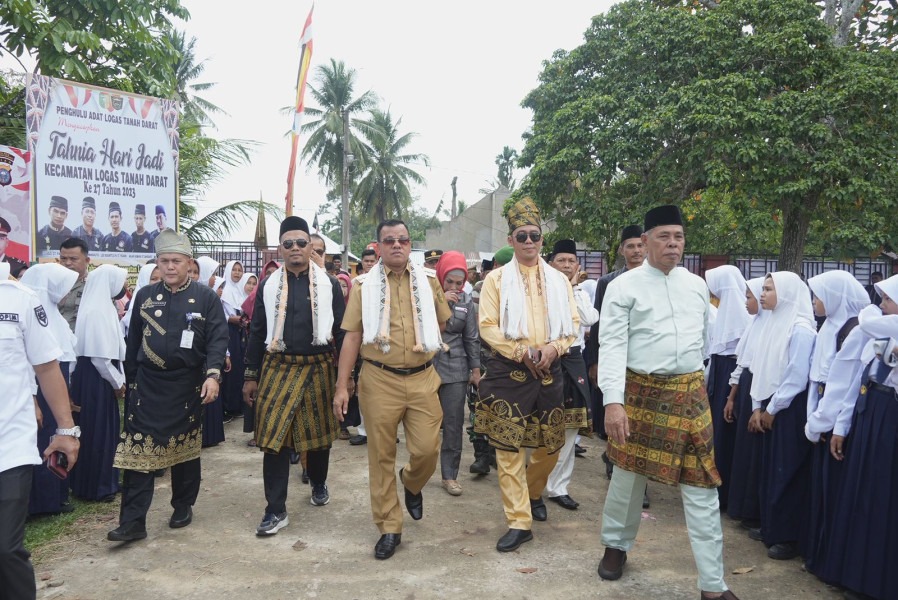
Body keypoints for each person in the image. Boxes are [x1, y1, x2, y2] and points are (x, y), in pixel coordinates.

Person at [597, 205, 738, 600]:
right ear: (644, 242)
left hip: (690, 396)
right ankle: (615, 547)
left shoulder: (695, 285)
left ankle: (713, 584)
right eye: (664, 237)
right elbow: (612, 346)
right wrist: (613, 402)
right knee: (627, 477)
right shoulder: (623, 287)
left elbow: (706, 343)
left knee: (703, 486)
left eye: (678, 237)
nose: (672, 244)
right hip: (640, 395)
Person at [333, 219, 451, 560]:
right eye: (389, 241)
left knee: (428, 449)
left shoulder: (428, 282)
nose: (396, 245)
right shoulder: (362, 286)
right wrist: (343, 386)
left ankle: (412, 483)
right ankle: (389, 526)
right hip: (379, 379)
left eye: (402, 239)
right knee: (381, 455)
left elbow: (442, 322)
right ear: (379, 246)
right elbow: (352, 336)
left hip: (423, 376)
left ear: (409, 244)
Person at [473, 197, 579, 553]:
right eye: (522, 236)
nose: (529, 241)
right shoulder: (496, 280)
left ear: (542, 240)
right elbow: (487, 326)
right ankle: (519, 521)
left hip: (549, 370)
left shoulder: (559, 281)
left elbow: (573, 326)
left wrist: (554, 348)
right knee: (508, 448)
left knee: (551, 445)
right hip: (507, 372)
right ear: (511, 240)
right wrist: (520, 352)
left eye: (535, 235)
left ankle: (533, 492)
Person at [108, 229, 228, 542]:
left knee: (185, 450)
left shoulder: (206, 298)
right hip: (147, 386)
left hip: (186, 385)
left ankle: (183, 505)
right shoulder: (145, 297)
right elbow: (133, 338)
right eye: (164, 261)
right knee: (137, 453)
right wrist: (130, 380)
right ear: (158, 264)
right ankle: (133, 522)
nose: (170, 267)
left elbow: (217, 339)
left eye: (176, 261)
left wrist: (213, 375)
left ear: (189, 263)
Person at [243, 216, 345, 535]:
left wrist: (347, 377)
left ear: (311, 247)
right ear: (280, 249)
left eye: (302, 243)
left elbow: (343, 333)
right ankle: (275, 510)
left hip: (319, 367)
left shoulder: (329, 284)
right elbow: (257, 329)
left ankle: (318, 482)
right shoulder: (268, 285)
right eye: (289, 244)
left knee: (317, 439)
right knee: (273, 438)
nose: (296, 248)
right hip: (278, 365)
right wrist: (250, 375)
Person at [0, 270, 80, 600]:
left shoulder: (20, 299)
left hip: (9, 446)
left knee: (5, 549)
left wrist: (66, 429)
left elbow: (47, 367)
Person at [821, 274, 898, 599]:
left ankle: (879, 583)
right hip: (870, 420)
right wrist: (842, 426)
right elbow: (860, 381)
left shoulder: (881, 328)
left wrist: (874, 314)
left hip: (891, 425)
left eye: (886, 300)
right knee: (861, 498)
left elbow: (869, 320)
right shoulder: (880, 338)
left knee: (884, 501)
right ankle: (854, 575)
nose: (880, 307)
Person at [800, 271, 868, 580]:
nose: (814, 301)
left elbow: (842, 384)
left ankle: (830, 561)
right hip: (821, 419)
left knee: (836, 495)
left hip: (837, 422)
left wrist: (822, 422)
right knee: (821, 494)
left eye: (819, 295)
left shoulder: (855, 330)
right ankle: (817, 554)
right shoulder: (827, 326)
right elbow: (817, 379)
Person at [746, 272, 816, 561]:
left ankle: (786, 536)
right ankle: (770, 526)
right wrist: (757, 407)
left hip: (788, 409)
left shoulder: (800, 329)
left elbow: (796, 376)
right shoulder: (773, 322)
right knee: (770, 467)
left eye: (769, 289)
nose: (763, 294)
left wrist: (772, 409)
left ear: (787, 293)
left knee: (786, 470)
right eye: (762, 288)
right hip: (769, 406)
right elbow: (760, 368)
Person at [544, 239, 598, 511]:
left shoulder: (581, 292)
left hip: (574, 359)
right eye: (561, 261)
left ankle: (558, 487)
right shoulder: (540, 289)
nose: (566, 266)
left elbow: (590, 318)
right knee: (540, 423)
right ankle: (534, 481)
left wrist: (573, 288)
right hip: (544, 359)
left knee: (570, 426)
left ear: (577, 265)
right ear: (550, 263)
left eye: (570, 262)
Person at [20, 264, 78, 516]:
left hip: (54, 390)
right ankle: (43, 501)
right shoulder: (33, 317)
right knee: (43, 441)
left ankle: (54, 496)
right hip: (41, 391)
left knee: (57, 439)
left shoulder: (52, 314)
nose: (66, 293)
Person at [68, 264, 128, 502]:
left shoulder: (98, 306)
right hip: (98, 378)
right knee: (99, 432)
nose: (123, 287)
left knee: (98, 431)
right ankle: (98, 487)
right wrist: (118, 382)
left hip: (92, 377)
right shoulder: (98, 311)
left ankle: (101, 481)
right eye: (120, 281)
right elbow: (100, 359)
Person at [432, 251, 481, 496]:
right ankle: (417, 469)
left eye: (458, 282)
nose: (453, 286)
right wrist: (441, 303)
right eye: (449, 281)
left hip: (456, 368)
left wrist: (475, 370)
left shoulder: (467, 301)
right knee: (424, 424)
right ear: (440, 276)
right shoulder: (426, 296)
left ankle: (449, 475)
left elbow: (471, 337)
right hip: (427, 365)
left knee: (453, 424)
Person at [704, 265, 751, 509]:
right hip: (721, 375)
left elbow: (740, 359)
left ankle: (725, 492)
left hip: (731, 380)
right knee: (717, 434)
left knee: (726, 433)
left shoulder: (743, 318)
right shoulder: (722, 313)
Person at [722, 277, 767, 531]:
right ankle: (741, 506)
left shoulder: (772, 325)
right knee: (744, 451)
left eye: (751, 296)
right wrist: (731, 396)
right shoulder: (755, 323)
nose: (749, 301)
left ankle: (753, 511)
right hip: (748, 389)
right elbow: (743, 363)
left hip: (760, 392)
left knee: (754, 453)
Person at [220, 260, 247, 419]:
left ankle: (237, 406)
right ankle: (228, 407)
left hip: (239, 332)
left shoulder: (240, 290)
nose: (237, 273)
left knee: (238, 369)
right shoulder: (224, 290)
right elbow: (220, 313)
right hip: (228, 331)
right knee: (229, 370)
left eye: (240, 270)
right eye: (234, 270)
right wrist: (231, 319)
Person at [56, 237, 90, 332]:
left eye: (73, 259)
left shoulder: (94, 285)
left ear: (87, 261)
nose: (67, 263)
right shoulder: (52, 283)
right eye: (63, 258)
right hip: (55, 341)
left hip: (81, 341)